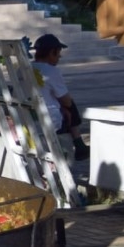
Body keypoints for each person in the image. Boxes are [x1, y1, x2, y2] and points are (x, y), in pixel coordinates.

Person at [31, 34, 90, 162]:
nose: (60, 57)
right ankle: (78, 142)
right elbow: (66, 101)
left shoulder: (22, 69)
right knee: (69, 103)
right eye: (58, 53)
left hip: (29, 115)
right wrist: (64, 107)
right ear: (52, 52)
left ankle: (79, 143)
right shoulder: (51, 71)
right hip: (49, 119)